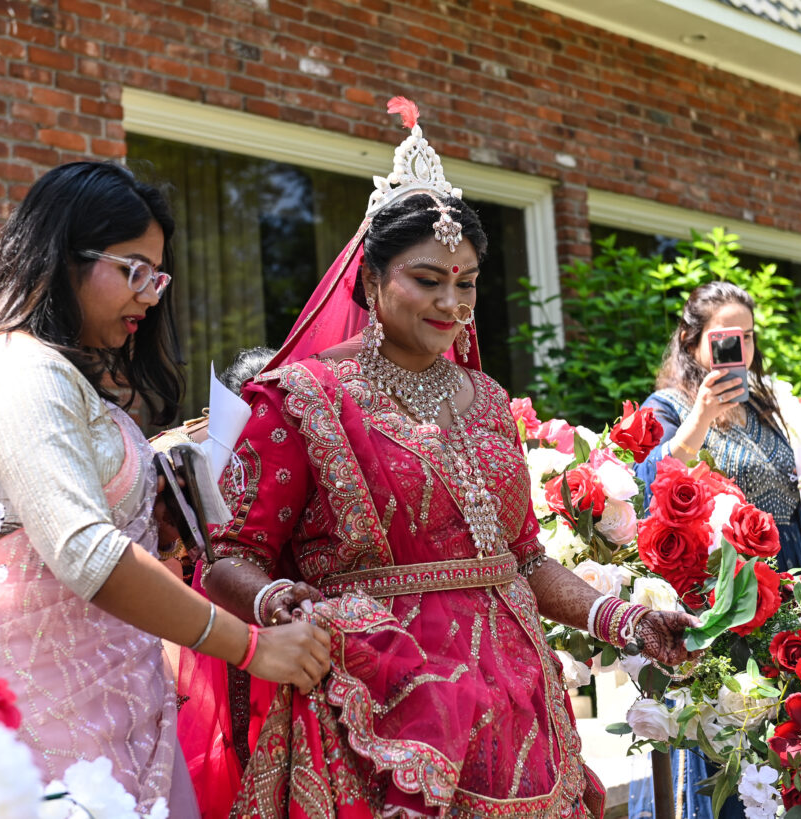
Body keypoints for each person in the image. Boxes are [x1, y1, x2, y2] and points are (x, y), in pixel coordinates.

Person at [200, 99, 699, 817]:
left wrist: (620, 619)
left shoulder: (488, 398)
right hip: (371, 708)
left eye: (465, 283)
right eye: (427, 279)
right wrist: (283, 602)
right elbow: (227, 555)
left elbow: (522, 559)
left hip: (518, 715)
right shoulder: (298, 399)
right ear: (370, 281)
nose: (453, 303)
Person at [0, 161, 330, 816]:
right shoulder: (23, 374)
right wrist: (253, 647)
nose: (152, 295)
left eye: (157, 275)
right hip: (51, 733)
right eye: (134, 270)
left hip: (116, 711)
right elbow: (84, 552)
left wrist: (154, 512)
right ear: (58, 255)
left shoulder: (61, 373)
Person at [628, 281, 801, 819]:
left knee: (787, 738)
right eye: (723, 338)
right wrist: (697, 420)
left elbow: (777, 488)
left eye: (747, 338)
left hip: (788, 580)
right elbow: (644, 485)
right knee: (729, 735)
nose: (737, 350)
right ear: (694, 341)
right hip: (721, 592)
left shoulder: (760, 403)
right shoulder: (669, 405)